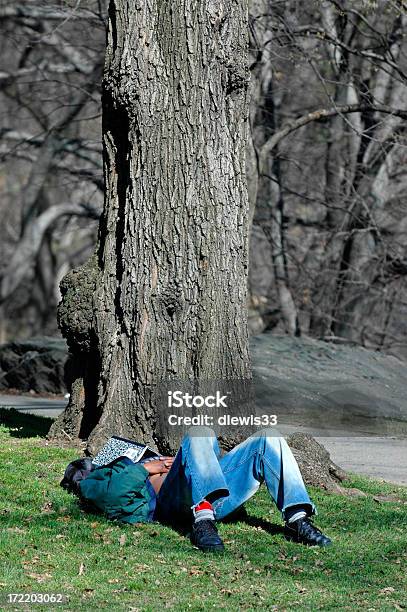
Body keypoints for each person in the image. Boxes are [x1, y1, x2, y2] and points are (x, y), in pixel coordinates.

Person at [78, 426, 332, 552]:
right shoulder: (100, 475)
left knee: (269, 436)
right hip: (174, 503)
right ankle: (202, 520)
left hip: (211, 488)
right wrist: (146, 469)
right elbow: (108, 497)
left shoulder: (140, 454)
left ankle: (297, 519)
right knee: (200, 432)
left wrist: (167, 460)